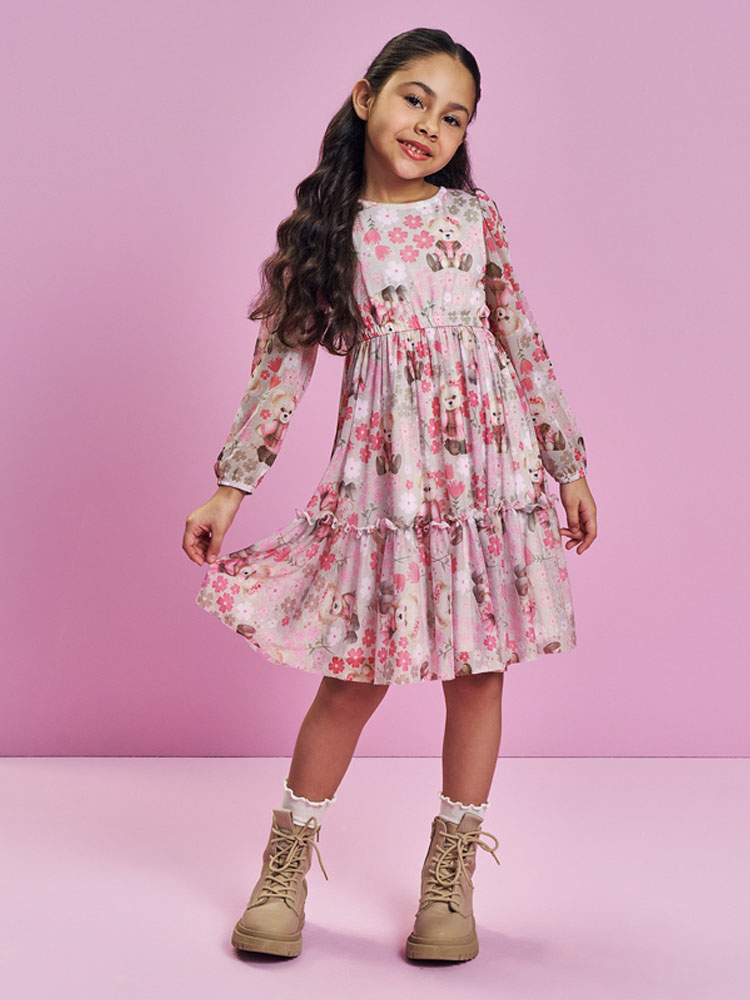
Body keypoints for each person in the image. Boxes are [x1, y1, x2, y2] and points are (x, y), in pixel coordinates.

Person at [182, 27, 597, 963]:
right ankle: (283, 871)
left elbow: (521, 338)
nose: (430, 127)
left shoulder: (474, 218)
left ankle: (449, 881)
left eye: (455, 118)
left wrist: (566, 464)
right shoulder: (332, 234)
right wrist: (228, 491)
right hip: (388, 488)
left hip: (487, 481)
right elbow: (281, 365)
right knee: (353, 676)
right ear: (366, 97)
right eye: (416, 99)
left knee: (479, 674)